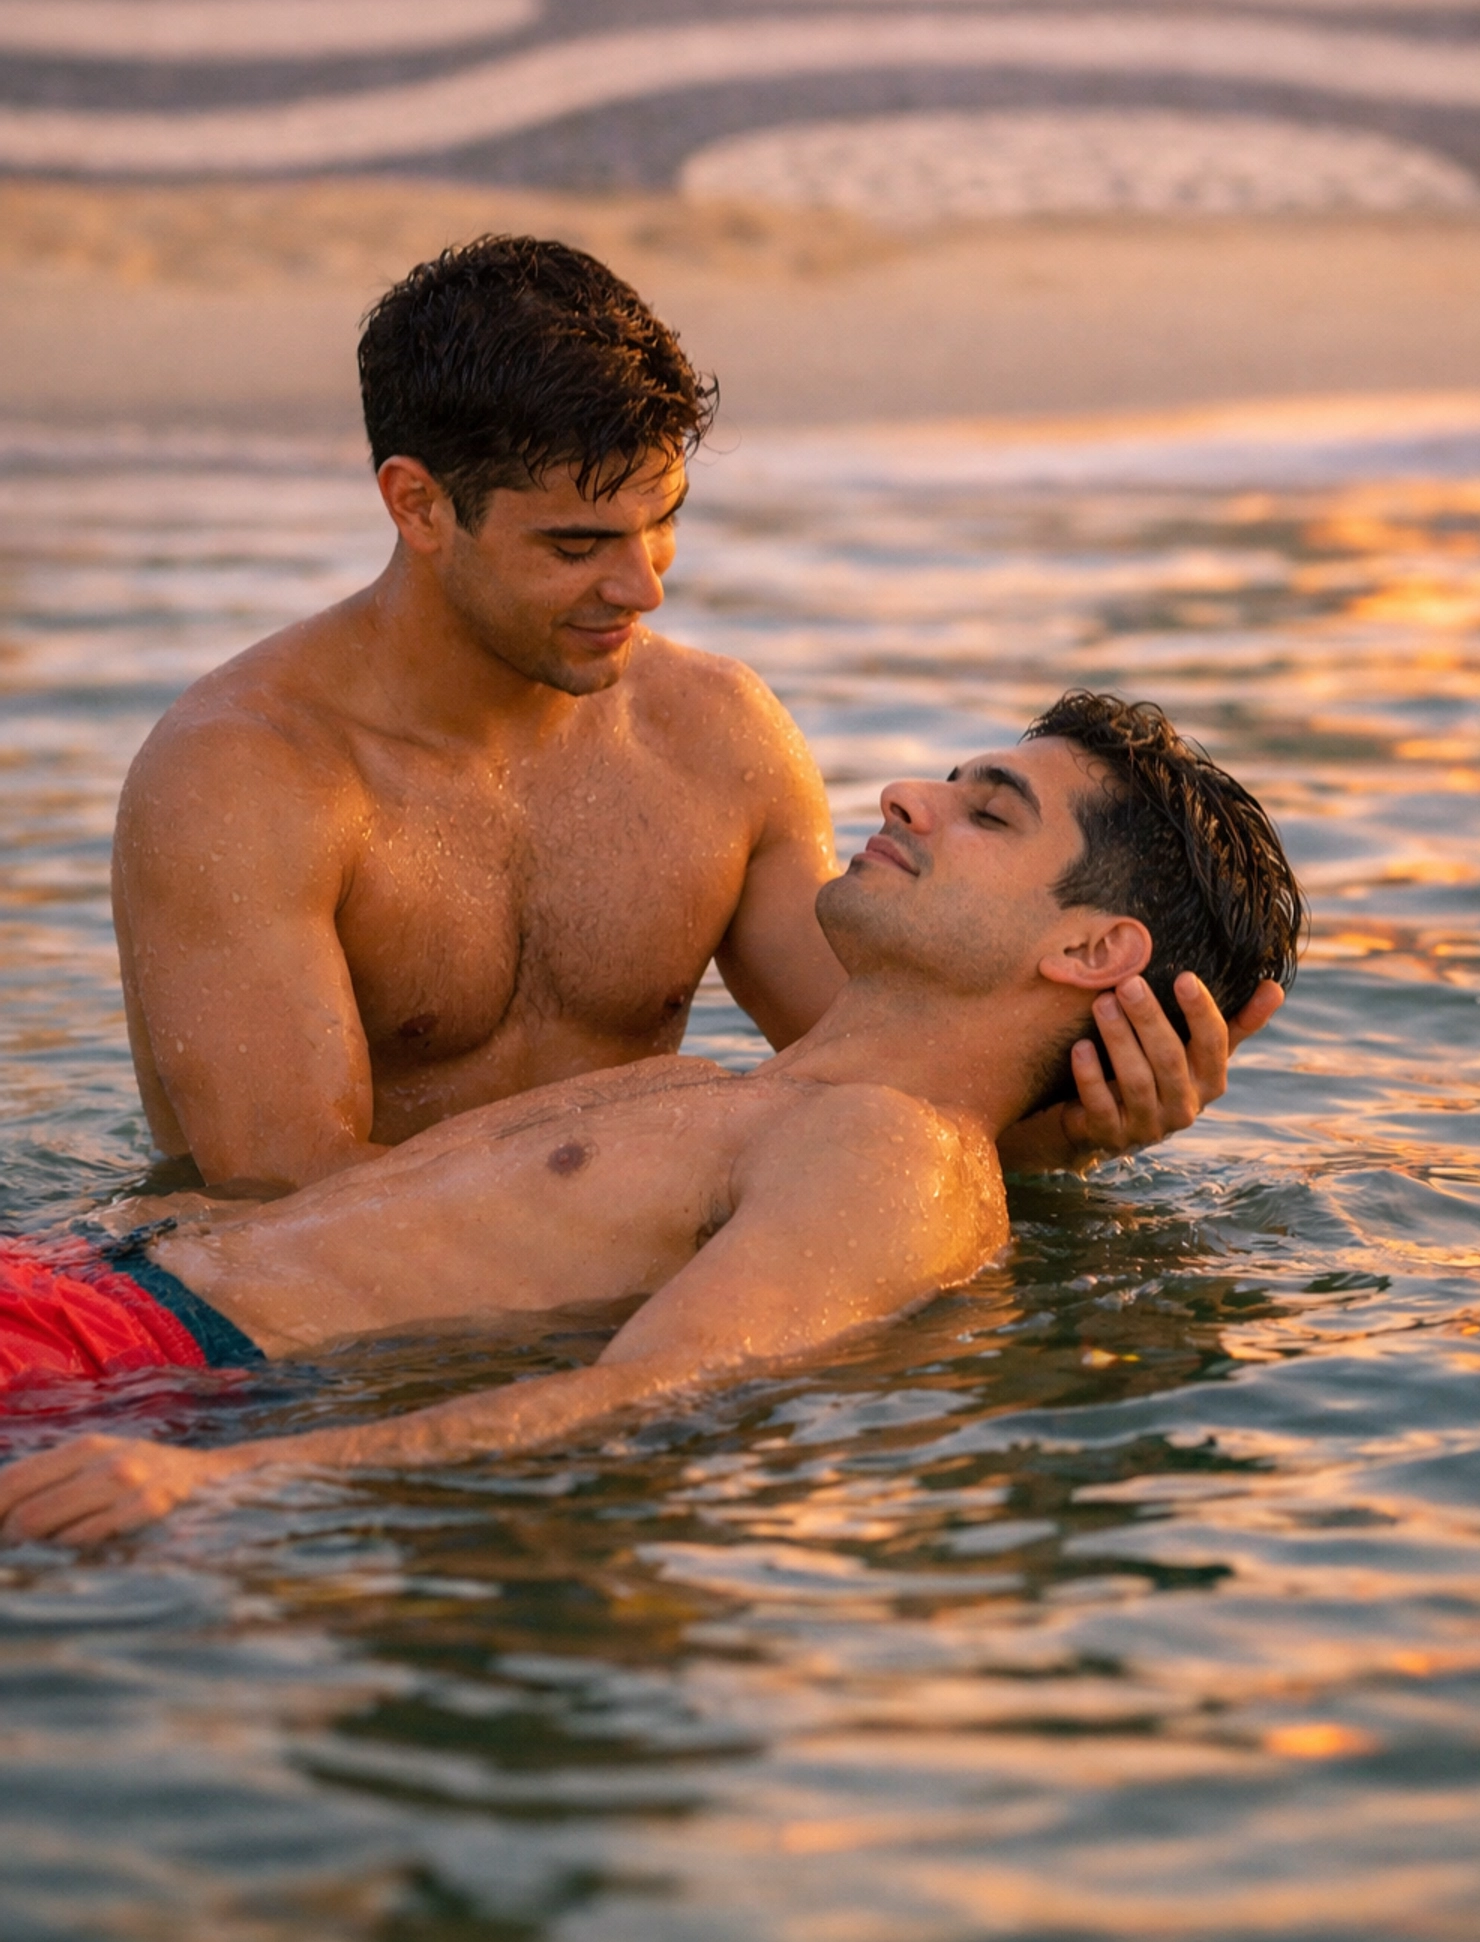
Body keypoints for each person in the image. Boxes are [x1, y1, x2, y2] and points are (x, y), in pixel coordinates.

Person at [112, 237, 1278, 1203]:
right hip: (293, 1368)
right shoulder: (247, 777)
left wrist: (1077, 1137)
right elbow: (280, 1207)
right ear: (418, 505)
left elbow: (883, 1090)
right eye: (578, 547)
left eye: (661, 522)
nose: (644, 587)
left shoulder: (717, 739)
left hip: (634, 1327)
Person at [0, 694, 1303, 1547]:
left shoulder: (898, 1157)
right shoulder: (741, 1095)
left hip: (121, 1381)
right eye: (949, 782)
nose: (910, 794)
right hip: (75, 1293)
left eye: (987, 813)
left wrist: (216, 1484)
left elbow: (650, 1395)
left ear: (1090, 947)